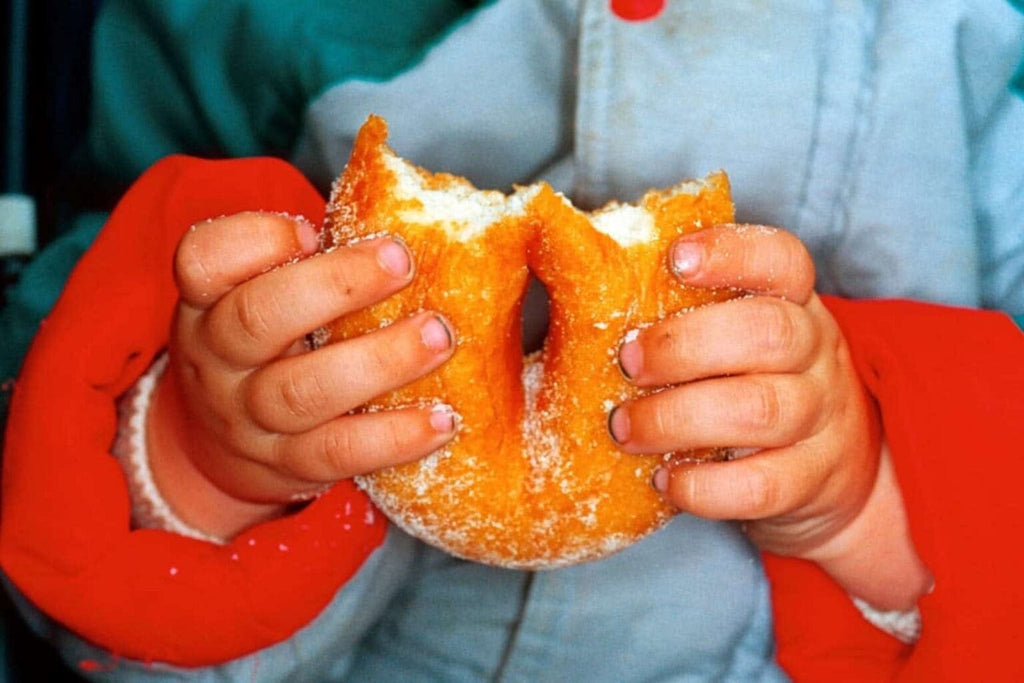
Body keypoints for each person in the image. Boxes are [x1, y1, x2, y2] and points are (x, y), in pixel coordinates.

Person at [2, 0, 1023, 680]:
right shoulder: (259, 22)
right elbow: (90, 313)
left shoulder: (949, 44)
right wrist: (205, 459)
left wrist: (868, 498)